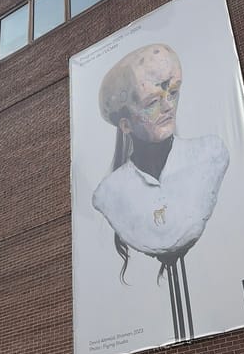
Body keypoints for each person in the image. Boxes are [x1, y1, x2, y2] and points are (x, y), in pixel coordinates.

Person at [92, 44, 229, 338]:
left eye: (173, 93)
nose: (168, 106)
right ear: (125, 124)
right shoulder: (110, 193)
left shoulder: (210, 155)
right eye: (153, 101)